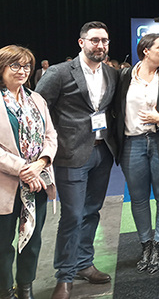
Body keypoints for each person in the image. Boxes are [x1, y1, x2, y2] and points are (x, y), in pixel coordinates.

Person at [36, 21, 119, 299]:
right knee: (72, 215)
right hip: (71, 155)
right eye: (95, 40)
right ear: (81, 42)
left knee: (92, 210)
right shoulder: (59, 72)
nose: (101, 45)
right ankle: (65, 275)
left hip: (102, 152)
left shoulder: (111, 73)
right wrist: (43, 152)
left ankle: (84, 263)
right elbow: (39, 110)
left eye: (105, 40)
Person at [114, 33, 159, 274]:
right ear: (146, 50)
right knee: (138, 198)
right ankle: (145, 245)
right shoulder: (125, 76)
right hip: (132, 144)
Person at [0, 45, 57, 299]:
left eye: (26, 66)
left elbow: (51, 136)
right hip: (6, 184)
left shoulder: (36, 98)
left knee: (32, 240)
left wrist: (41, 162)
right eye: (15, 65)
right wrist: (23, 169)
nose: (22, 71)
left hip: (37, 183)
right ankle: (5, 289)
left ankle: (26, 288)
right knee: (2, 244)